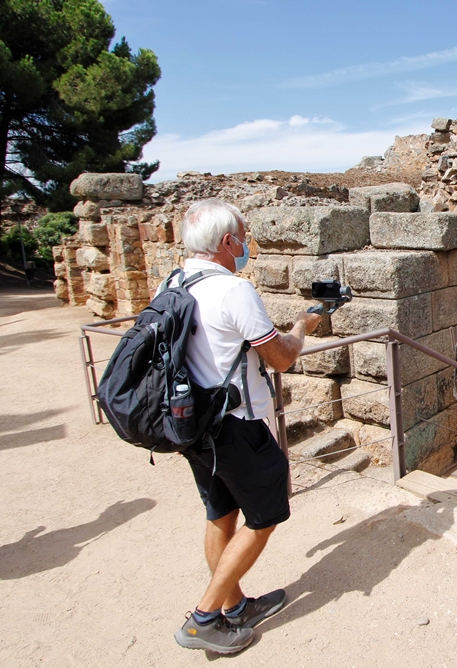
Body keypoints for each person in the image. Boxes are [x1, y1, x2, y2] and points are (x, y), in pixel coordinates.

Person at [169, 199, 324, 654]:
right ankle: (202, 620)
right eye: (243, 236)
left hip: (193, 422)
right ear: (226, 241)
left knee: (220, 515)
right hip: (239, 426)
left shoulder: (175, 282)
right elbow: (279, 356)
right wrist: (302, 326)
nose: (246, 244)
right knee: (264, 517)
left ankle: (237, 608)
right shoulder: (233, 290)